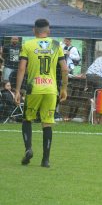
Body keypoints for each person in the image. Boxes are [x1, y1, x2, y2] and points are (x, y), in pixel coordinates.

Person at [15, 19, 68, 168]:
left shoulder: (27, 45)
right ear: (48, 30)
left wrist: (18, 90)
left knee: (27, 119)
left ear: (34, 30)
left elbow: (21, 69)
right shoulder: (56, 45)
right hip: (51, 90)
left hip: (34, 89)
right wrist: (64, 88)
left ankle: (28, 149)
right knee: (47, 123)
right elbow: (65, 69)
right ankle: (45, 160)